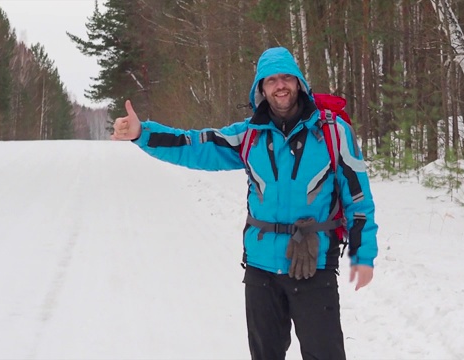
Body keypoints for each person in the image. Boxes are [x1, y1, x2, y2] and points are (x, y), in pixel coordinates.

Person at [111, 47, 378, 360]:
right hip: (261, 268)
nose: (280, 85)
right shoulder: (248, 135)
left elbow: (358, 199)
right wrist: (143, 132)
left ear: (299, 82)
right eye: (271, 80)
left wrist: (364, 253)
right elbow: (195, 145)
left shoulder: (334, 132)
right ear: (261, 89)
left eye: (286, 78)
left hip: (313, 265)